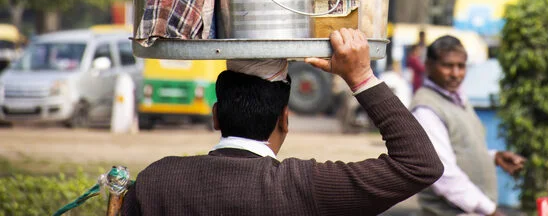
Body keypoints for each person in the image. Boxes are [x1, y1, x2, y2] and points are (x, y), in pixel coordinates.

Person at [121, 29, 443, 215]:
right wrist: (360, 76)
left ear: (216, 116)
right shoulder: (302, 186)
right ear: (284, 120)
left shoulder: (156, 181)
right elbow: (420, 166)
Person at [411, 35, 525, 216]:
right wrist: (491, 210)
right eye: (447, 66)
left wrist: (494, 157)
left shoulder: (457, 99)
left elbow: (460, 150)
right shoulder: (426, 109)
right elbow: (443, 174)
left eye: (461, 66)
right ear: (429, 66)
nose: (456, 73)